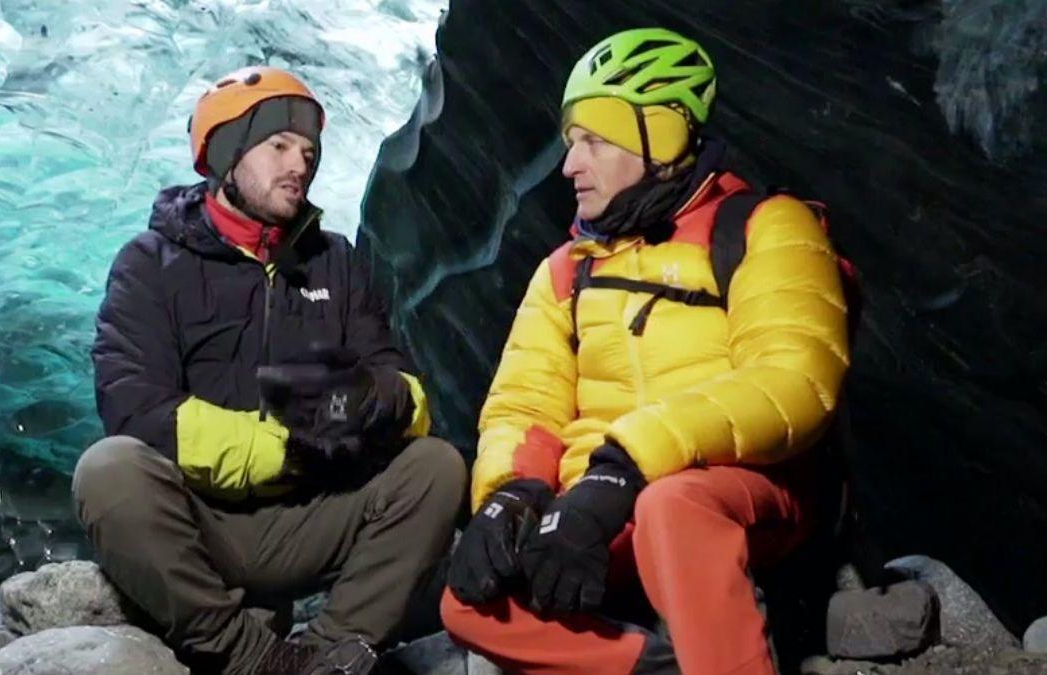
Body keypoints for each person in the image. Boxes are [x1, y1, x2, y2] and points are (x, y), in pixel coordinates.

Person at [441, 27, 851, 675]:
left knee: (672, 505)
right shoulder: (564, 271)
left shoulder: (763, 226)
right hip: (595, 508)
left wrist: (625, 466)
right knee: (466, 603)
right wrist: (510, 493)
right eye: (572, 142)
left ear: (660, 139)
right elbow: (525, 402)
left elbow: (795, 382)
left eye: (595, 142)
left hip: (741, 490)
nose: (571, 163)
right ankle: (665, 662)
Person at [71, 65, 467, 675]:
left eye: (308, 150)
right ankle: (251, 655)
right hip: (200, 521)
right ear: (226, 154)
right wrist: (284, 449)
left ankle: (333, 650)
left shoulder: (334, 259)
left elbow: (403, 388)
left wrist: (367, 402)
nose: (300, 163)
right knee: (108, 472)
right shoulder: (149, 263)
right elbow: (134, 408)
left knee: (435, 466)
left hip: (309, 516)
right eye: (278, 145)